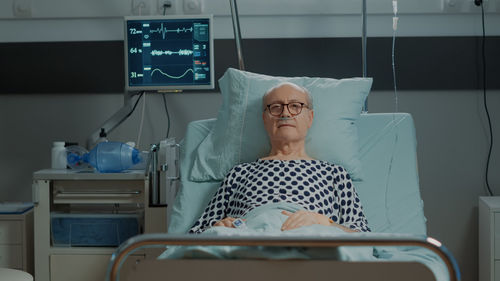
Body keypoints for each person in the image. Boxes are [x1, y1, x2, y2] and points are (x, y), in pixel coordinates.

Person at [189, 82, 370, 234]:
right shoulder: (239, 173)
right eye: (275, 107)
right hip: (248, 238)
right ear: (264, 119)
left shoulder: (334, 173)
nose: (285, 113)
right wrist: (222, 226)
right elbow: (198, 233)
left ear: (310, 117)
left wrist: (324, 222)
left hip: (309, 237)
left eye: (295, 106)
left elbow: (362, 235)